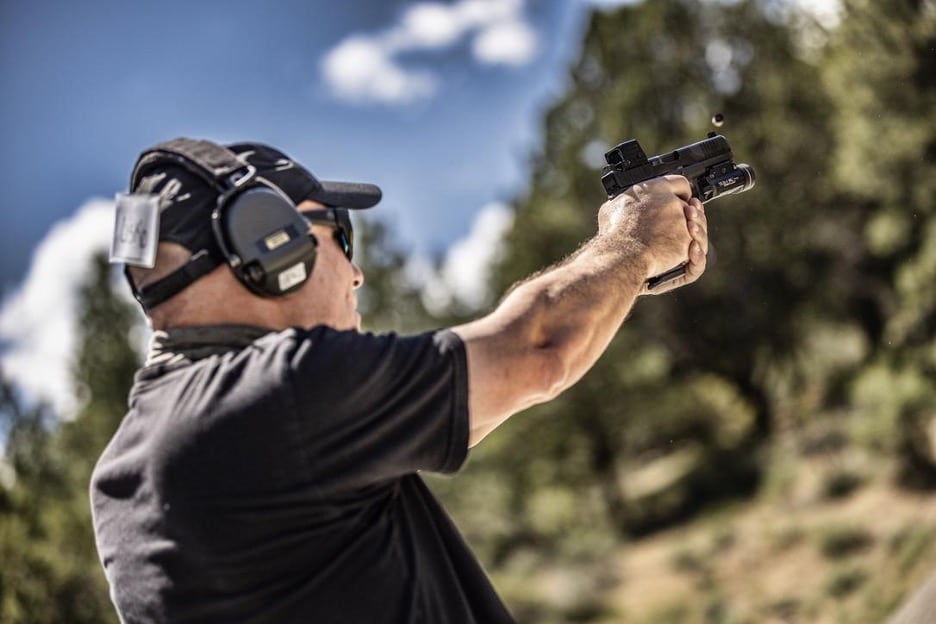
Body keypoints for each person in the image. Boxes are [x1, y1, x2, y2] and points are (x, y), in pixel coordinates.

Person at [90, 137, 708, 623]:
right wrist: (633, 242)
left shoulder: (128, 471)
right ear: (269, 247)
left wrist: (619, 280)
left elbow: (485, 401)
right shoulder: (279, 396)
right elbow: (540, 349)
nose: (356, 276)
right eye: (339, 233)